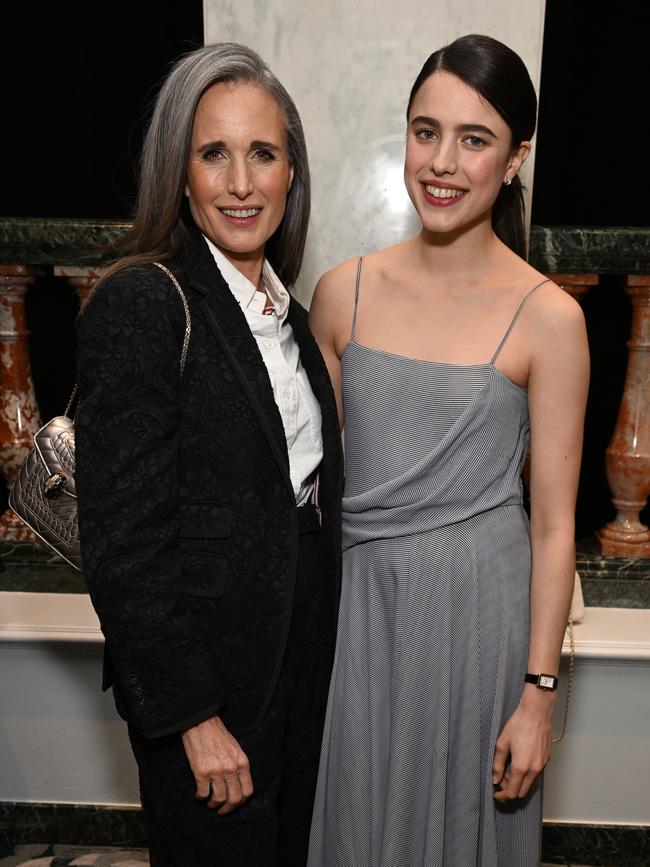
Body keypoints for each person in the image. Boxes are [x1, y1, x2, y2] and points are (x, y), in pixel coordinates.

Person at [306, 34, 589, 866]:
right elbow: (301, 484)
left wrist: (538, 697)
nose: (443, 161)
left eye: (475, 139)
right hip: (361, 617)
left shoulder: (550, 319)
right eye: (426, 131)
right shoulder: (342, 294)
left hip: (477, 629)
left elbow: (554, 528)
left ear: (515, 160)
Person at [75, 42, 343, 867]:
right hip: (212, 700)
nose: (239, 182)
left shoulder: (292, 320)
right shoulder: (144, 303)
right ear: (180, 173)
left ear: (291, 172)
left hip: (295, 680)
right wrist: (192, 717)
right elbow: (126, 548)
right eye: (213, 154)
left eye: (262, 154)